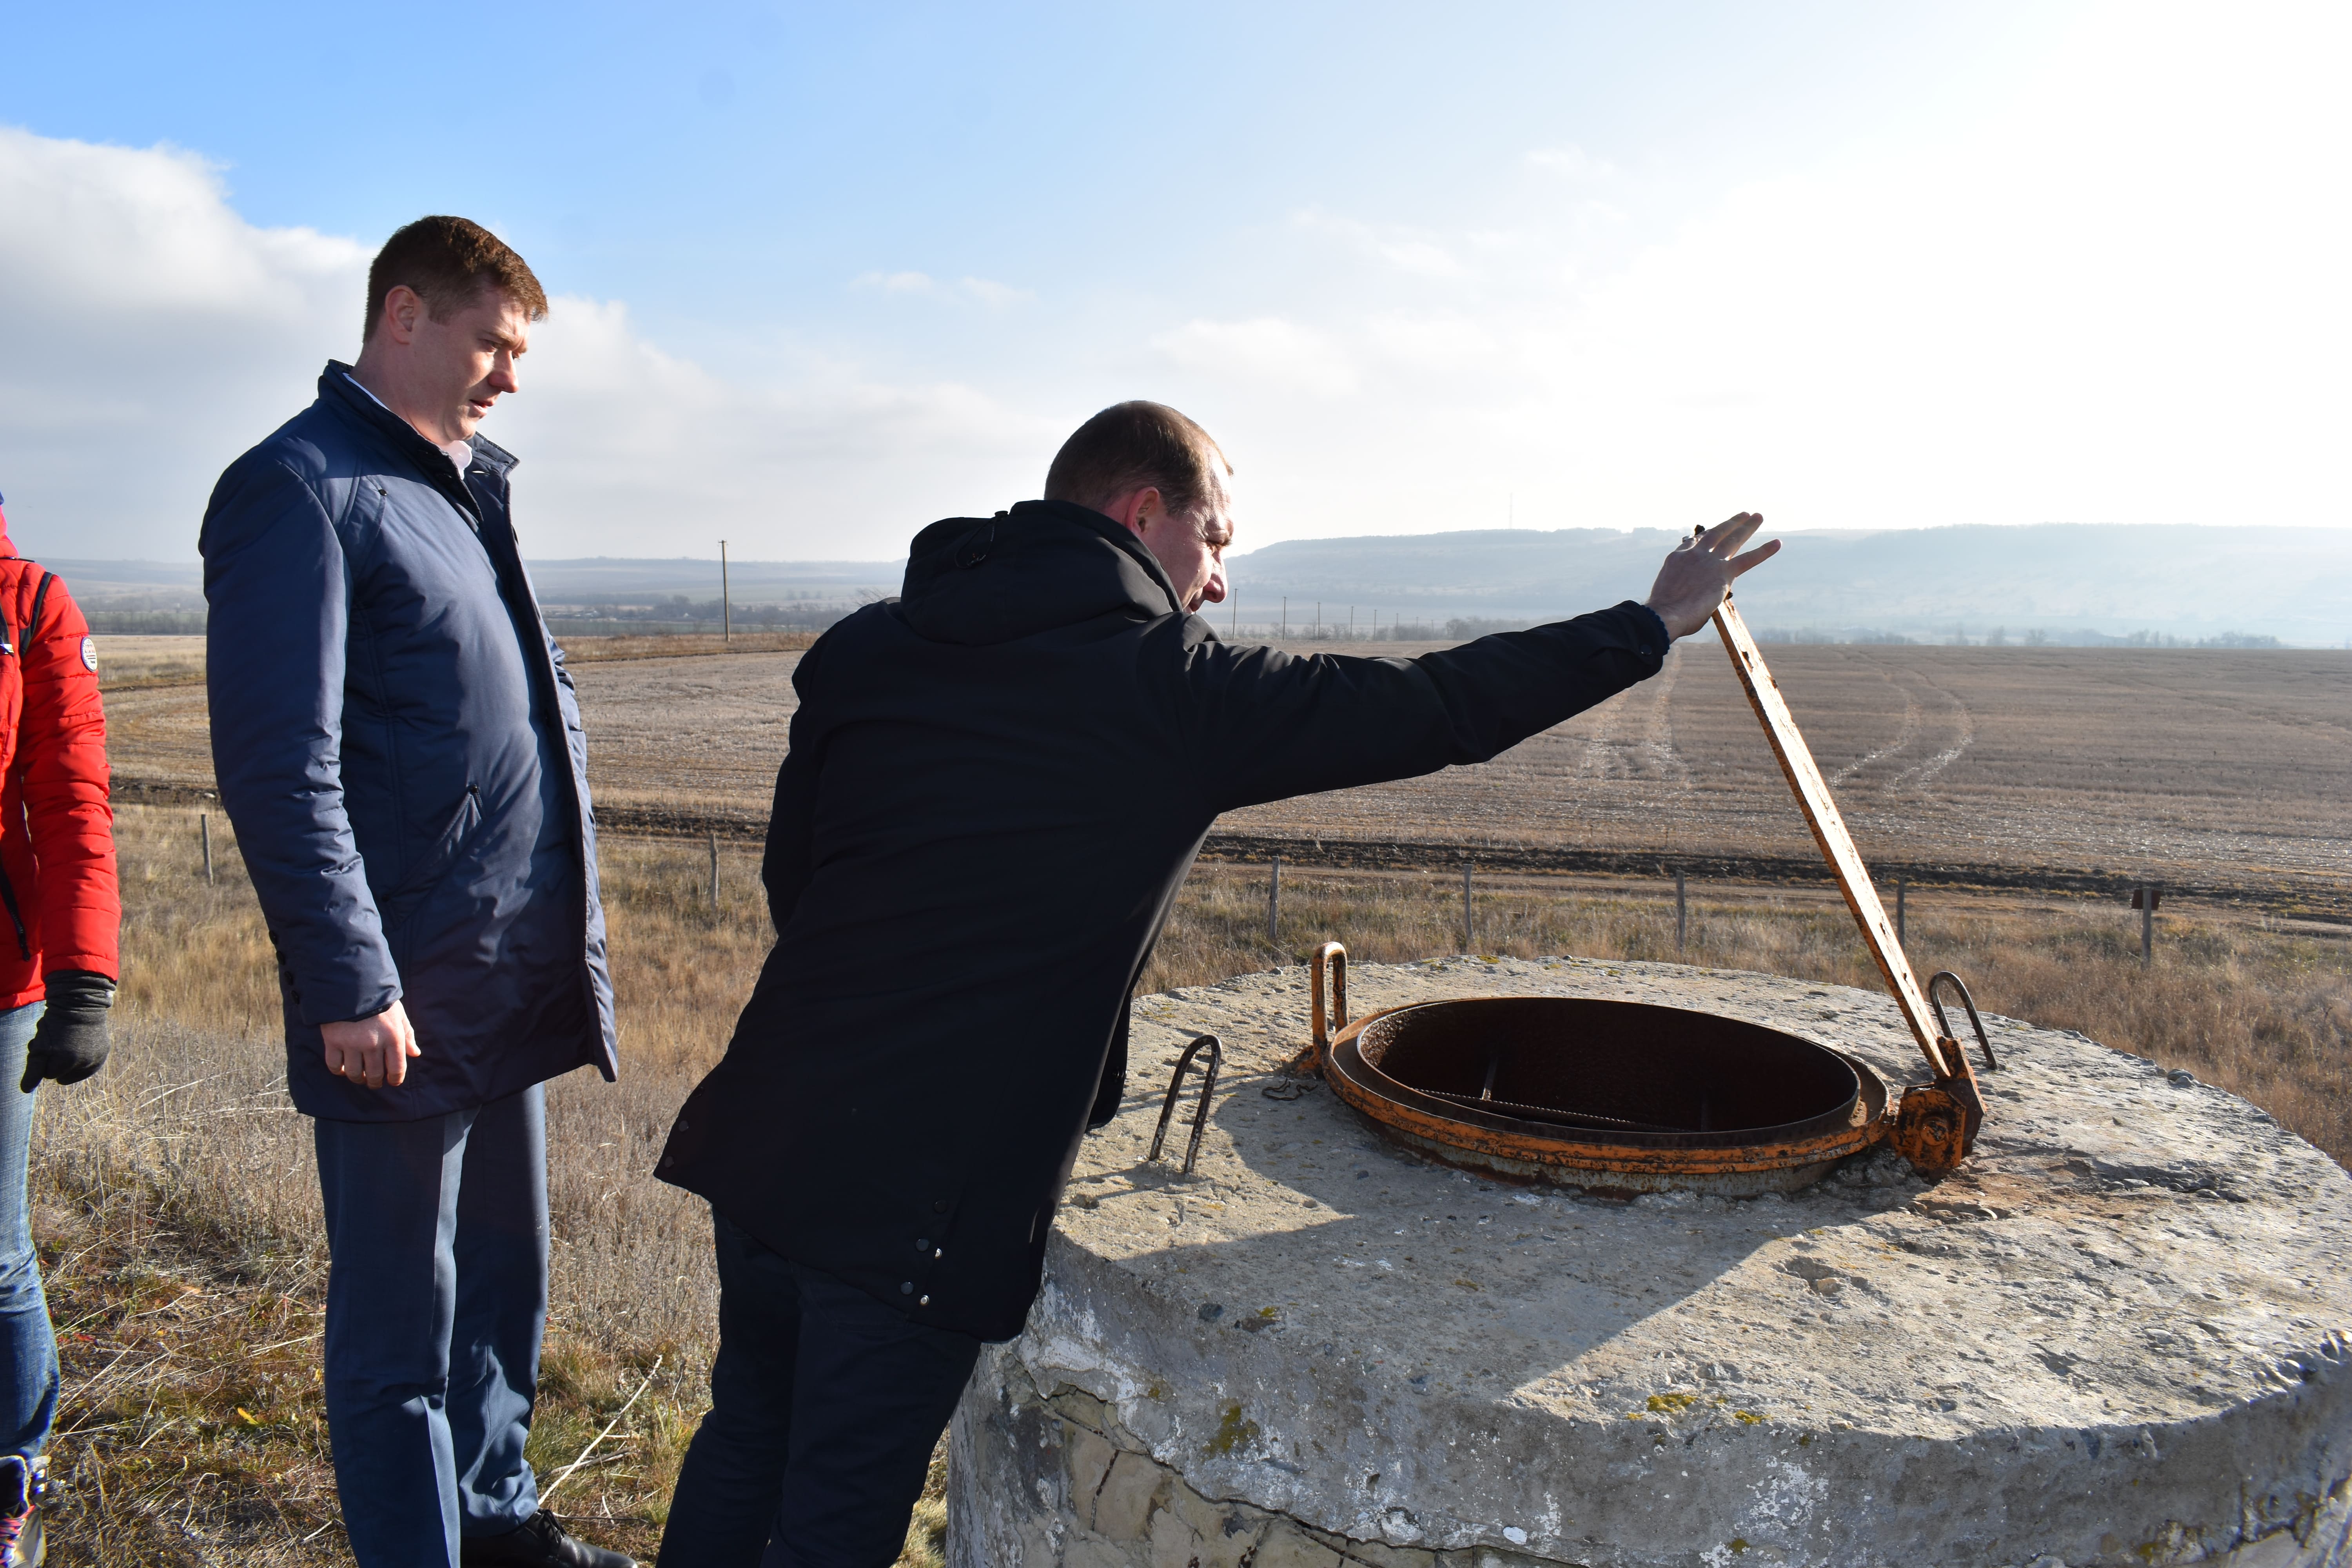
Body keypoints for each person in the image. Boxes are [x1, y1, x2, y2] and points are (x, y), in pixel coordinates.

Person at [653, 399, 1779, 1564]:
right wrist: (1646, 625)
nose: (1222, 582)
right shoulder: (1167, 693)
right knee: (833, 1511)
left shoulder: (870, 647)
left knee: (745, 1440)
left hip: (772, 1135)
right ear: (1145, 515)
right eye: (1220, 542)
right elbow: (1436, 706)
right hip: (915, 1205)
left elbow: (803, 887)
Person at [200, 218, 632, 1568]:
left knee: (503, 1292)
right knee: (398, 1338)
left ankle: (496, 1527)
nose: (512, 374)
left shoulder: (457, 488)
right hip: (400, 1001)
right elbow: (283, 765)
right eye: (495, 342)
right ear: (405, 315)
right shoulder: (301, 487)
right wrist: (350, 982)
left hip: (502, 981)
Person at [0, 491, 120, 1568]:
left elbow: (74, 799)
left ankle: (12, 1474)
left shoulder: (28, 604)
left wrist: (84, 979)